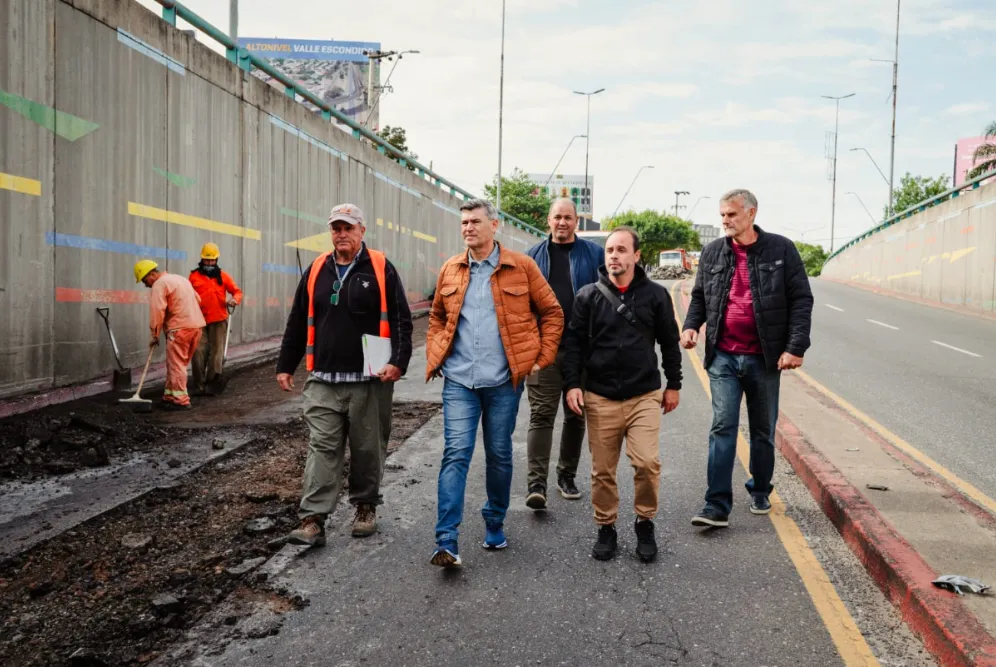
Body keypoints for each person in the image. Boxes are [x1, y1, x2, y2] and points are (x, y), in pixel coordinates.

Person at [425, 198, 563, 568]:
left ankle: (494, 521)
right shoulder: (451, 269)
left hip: (504, 382)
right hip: (459, 381)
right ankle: (446, 540)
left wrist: (541, 358)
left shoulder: (522, 266)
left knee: (499, 453)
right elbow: (436, 316)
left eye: (475, 222)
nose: (468, 228)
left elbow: (552, 312)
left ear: (494, 225)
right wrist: (437, 351)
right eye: (464, 223)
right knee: (456, 454)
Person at [276, 203, 413, 547]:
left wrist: (399, 361)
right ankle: (313, 519)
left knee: (367, 449)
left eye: (348, 228)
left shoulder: (380, 267)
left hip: (369, 380)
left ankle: (365, 507)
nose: (341, 234)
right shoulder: (316, 269)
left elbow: (401, 318)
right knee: (322, 447)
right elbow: (298, 319)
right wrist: (285, 364)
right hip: (324, 378)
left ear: (362, 231)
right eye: (336, 228)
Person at [681, 189, 813, 528]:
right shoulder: (712, 252)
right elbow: (700, 296)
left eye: (731, 214)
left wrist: (795, 347)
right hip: (723, 355)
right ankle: (716, 504)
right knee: (722, 426)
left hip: (764, 358)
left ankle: (760, 488)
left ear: (751, 213)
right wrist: (691, 326)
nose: (725, 220)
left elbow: (801, 299)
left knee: (762, 430)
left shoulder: (781, 249)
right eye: (722, 215)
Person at [563, 227, 682, 563]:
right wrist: (573, 384)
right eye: (609, 250)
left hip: (644, 395)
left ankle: (645, 522)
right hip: (600, 396)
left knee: (646, 463)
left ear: (636, 255)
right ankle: (606, 527)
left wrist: (674, 384)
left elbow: (669, 343)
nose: (613, 256)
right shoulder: (588, 296)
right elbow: (573, 345)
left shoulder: (656, 295)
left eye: (621, 250)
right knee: (602, 470)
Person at [523, 198, 603, 509]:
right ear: (549, 220)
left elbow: (606, 297)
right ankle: (536, 483)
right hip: (543, 350)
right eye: (557, 217)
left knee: (576, 414)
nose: (562, 222)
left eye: (568, 217)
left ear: (576, 222)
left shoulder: (594, 254)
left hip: (581, 349)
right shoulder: (531, 257)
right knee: (541, 415)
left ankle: (566, 475)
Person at [134, 260, 206, 411]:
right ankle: (169, 396)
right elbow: (198, 299)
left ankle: (181, 400)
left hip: (179, 329)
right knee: (177, 364)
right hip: (196, 327)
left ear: (151, 274)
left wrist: (155, 334)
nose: (146, 285)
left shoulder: (159, 284)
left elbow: (157, 310)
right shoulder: (180, 279)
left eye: (145, 281)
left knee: (177, 365)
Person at [188, 242, 243, 395]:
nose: (210, 263)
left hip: (218, 320)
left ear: (216, 260)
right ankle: (199, 384)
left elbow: (237, 292)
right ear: (202, 259)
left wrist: (234, 300)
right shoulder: (194, 277)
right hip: (198, 320)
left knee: (216, 352)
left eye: (212, 260)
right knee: (198, 351)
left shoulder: (223, 276)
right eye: (207, 260)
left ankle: (212, 382)